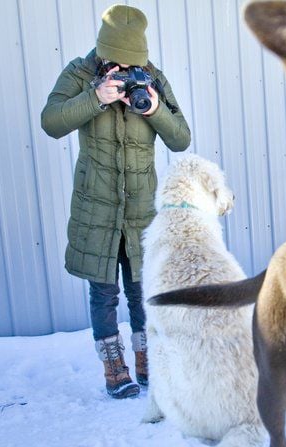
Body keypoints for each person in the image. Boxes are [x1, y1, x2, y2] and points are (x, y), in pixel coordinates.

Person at [41, 4, 191, 399]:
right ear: (103, 51)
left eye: (131, 63)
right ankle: (114, 370)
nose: (124, 71)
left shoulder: (152, 78)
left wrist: (155, 108)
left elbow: (181, 137)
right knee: (104, 291)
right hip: (97, 206)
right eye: (117, 63)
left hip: (141, 207)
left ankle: (147, 363)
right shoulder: (80, 73)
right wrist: (96, 97)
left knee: (142, 288)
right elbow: (51, 122)